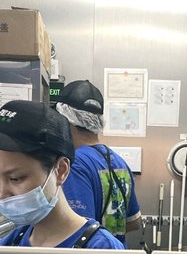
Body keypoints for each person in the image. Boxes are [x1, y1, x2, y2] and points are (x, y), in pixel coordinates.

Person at [0, 99, 124, 250]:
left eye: (15, 178)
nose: (1, 193)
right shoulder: (10, 245)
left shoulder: (102, 250)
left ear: (61, 170)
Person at [55, 80, 141, 243]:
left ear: (65, 120)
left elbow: (77, 229)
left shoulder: (75, 164)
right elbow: (134, 222)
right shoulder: (120, 163)